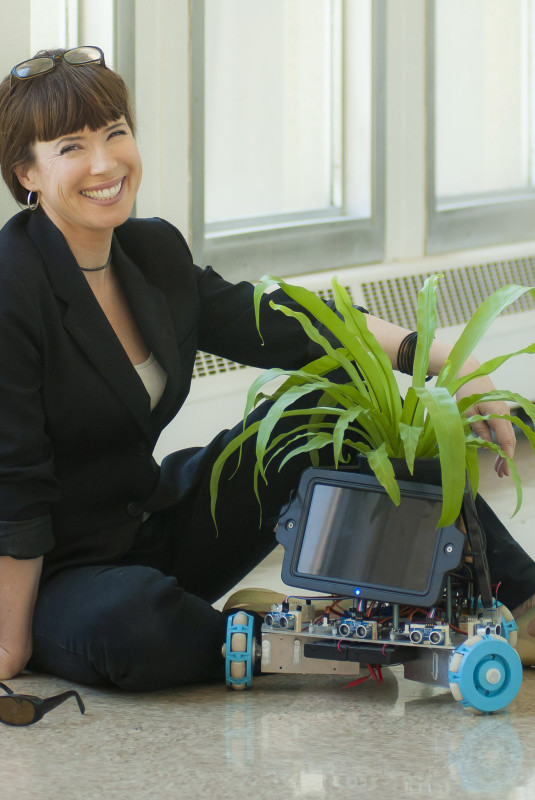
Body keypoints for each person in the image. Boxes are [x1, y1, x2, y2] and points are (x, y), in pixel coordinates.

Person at [0, 47, 533, 691]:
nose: (106, 162)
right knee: (131, 624)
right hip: (56, 576)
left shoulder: (152, 251)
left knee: (330, 412)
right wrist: (9, 641)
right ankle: (304, 637)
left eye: (116, 133)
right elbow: (17, 484)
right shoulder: (12, 283)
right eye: (71, 147)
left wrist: (442, 358)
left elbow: (280, 321)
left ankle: (520, 598)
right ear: (25, 170)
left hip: (150, 521)